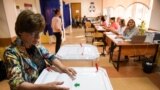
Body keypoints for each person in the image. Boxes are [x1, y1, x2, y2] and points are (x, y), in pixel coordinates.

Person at [3, 10, 76, 90]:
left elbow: (50, 57)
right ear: (20, 32)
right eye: (33, 34)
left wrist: (63, 68)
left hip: (44, 80)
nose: (38, 38)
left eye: (39, 33)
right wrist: (44, 87)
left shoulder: (35, 44)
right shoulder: (11, 53)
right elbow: (16, 83)